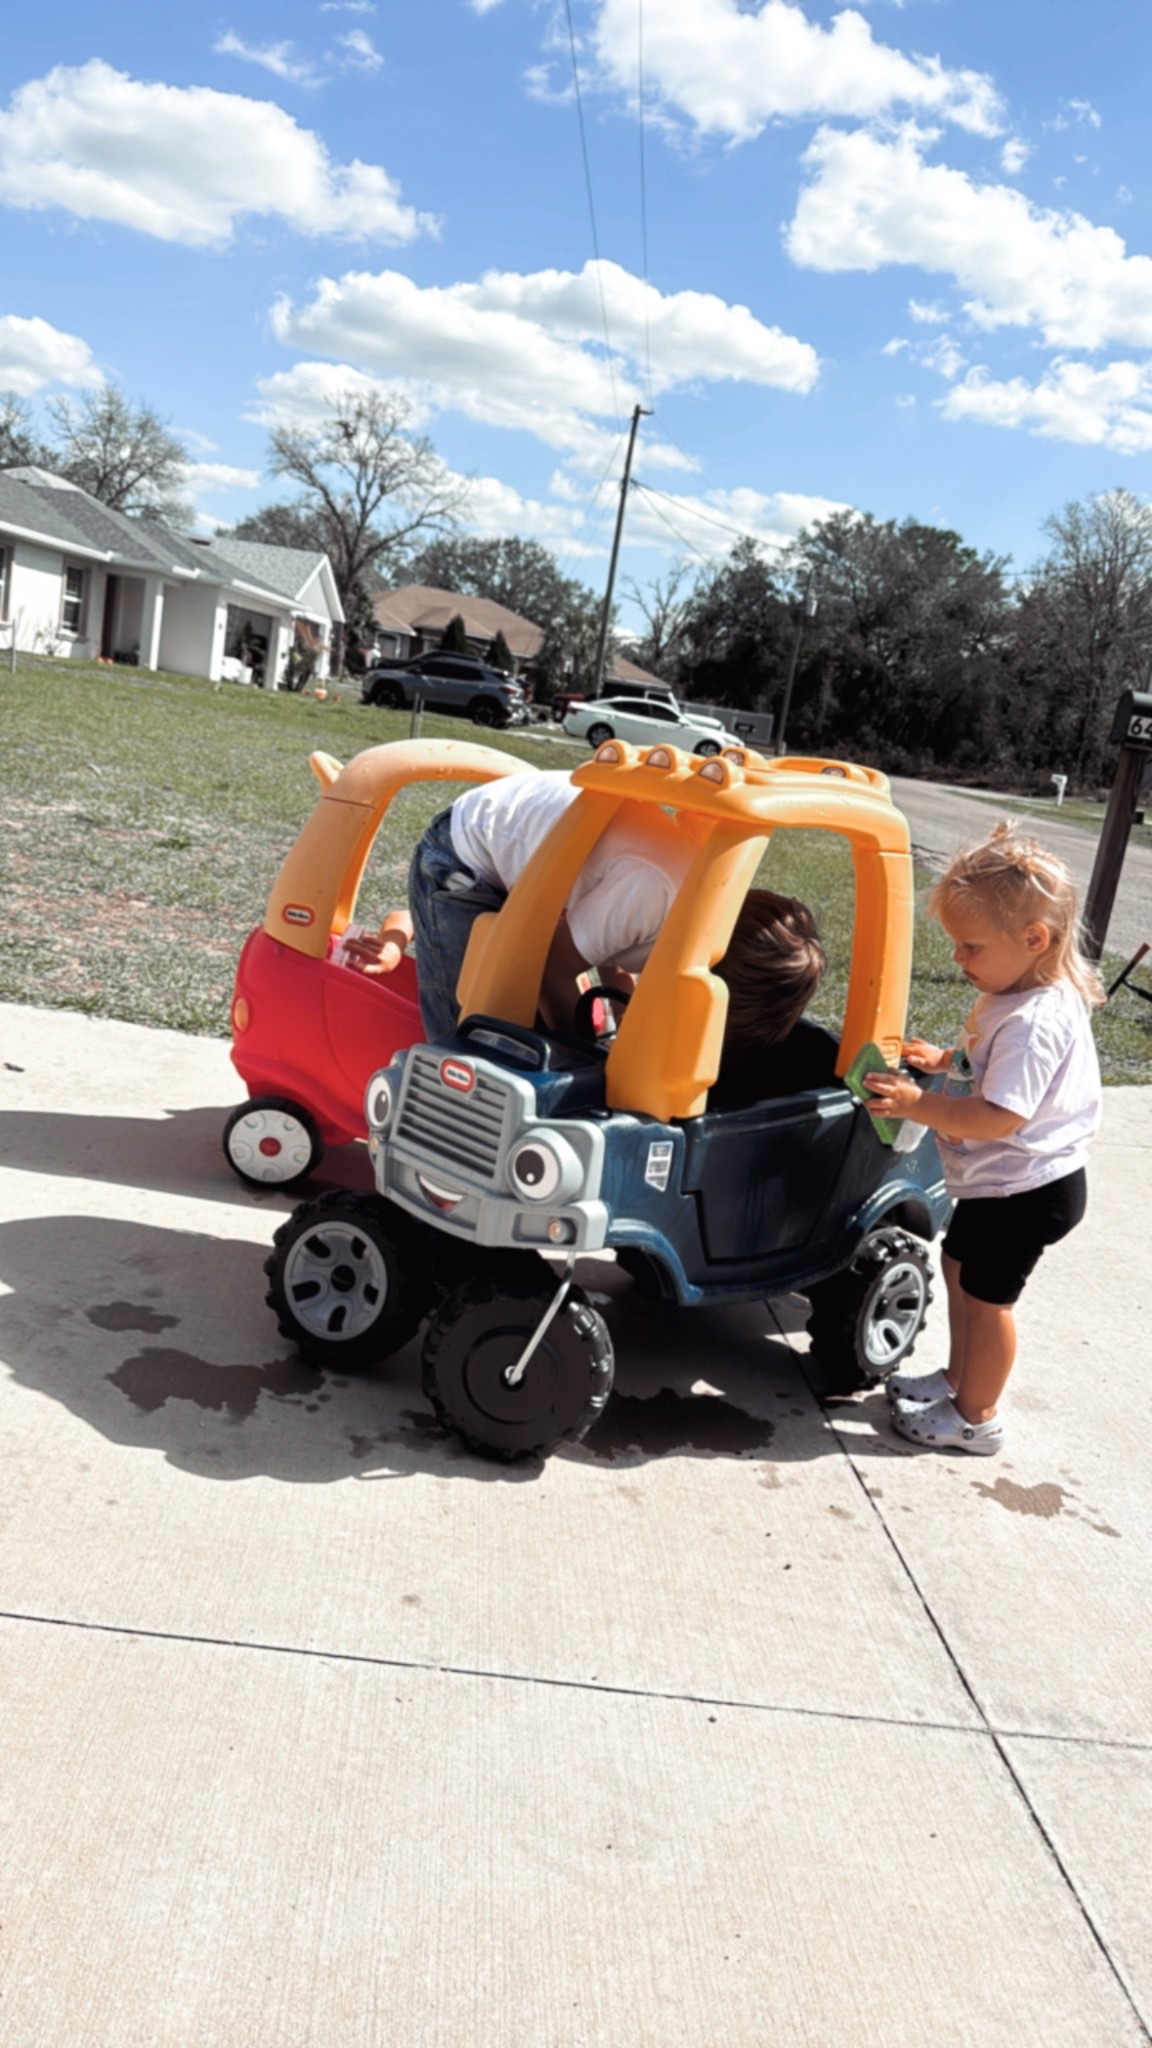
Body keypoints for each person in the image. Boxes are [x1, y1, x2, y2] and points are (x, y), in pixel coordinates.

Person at [862, 823, 1103, 1457]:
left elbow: (1001, 1115)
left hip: (1030, 1189)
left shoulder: (1032, 1022)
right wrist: (947, 1060)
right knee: (960, 1270)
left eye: (970, 946)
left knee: (990, 1300)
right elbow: (990, 1065)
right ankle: (957, 1381)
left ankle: (978, 1417)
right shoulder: (1020, 993)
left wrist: (922, 1102)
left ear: (1033, 939)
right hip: (1005, 1183)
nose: (958, 960)